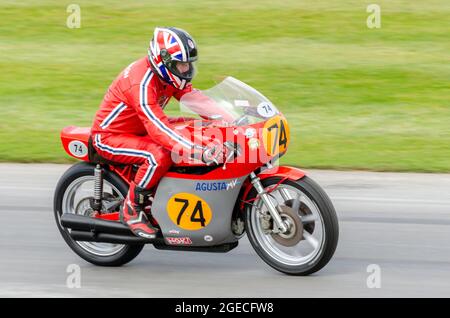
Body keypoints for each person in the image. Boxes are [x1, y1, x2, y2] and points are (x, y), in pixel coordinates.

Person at [91, 27, 225, 239]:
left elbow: (193, 99)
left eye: (188, 64)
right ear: (163, 62)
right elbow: (157, 127)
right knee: (158, 154)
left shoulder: (169, 76)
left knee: (194, 127)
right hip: (110, 136)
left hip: (139, 129)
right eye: (181, 64)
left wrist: (226, 117)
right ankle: (131, 208)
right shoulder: (141, 82)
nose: (186, 69)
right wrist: (195, 151)